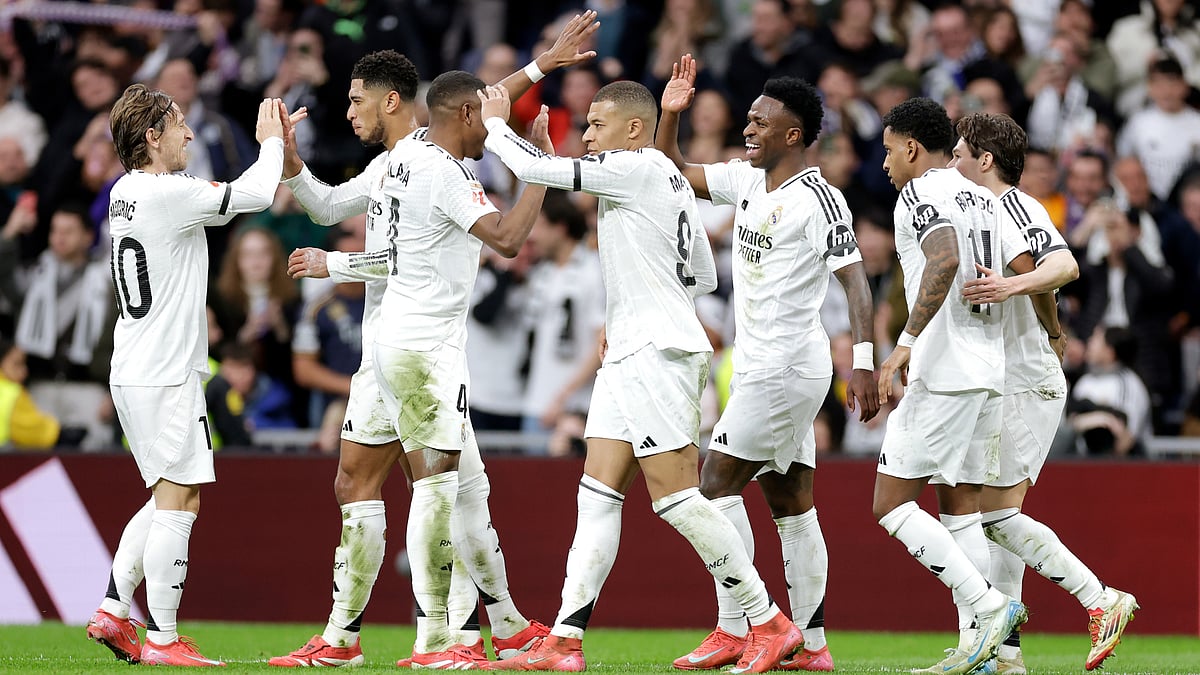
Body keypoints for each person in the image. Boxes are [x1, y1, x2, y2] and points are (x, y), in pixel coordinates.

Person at [270, 16, 600, 666]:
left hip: (403, 349)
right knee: (407, 486)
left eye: (355, 99)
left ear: (393, 100)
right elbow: (498, 234)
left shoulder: (424, 161)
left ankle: (443, 635)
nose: (348, 110)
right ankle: (427, 639)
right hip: (410, 352)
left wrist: (540, 88)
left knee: (418, 486)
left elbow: (472, 124)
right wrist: (541, 165)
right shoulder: (420, 162)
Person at [481, 78, 802, 673]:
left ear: (633, 127)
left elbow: (543, 172)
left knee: (677, 498)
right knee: (597, 498)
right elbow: (701, 274)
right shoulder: (665, 178)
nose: (589, 134)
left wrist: (498, 123)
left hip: (657, 351)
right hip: (634, 348)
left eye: (597, 124)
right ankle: (565, 643)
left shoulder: (638, 165)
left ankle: (769, 622)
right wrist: (639, 300)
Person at [655, 56, 880, 671]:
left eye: (760, 121)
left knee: (712, 486)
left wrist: (862, 363)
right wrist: (671, 115)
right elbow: (673, 169)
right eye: (748, 119)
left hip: (786, 367)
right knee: (791, 503)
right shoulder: (749, 181)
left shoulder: (820, 200)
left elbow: (857, 285)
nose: (747, 128)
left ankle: (744, 626)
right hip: (762, 367)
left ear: (792, 135)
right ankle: (811, 645)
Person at [84, 85, 285, 666]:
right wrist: (270, 142)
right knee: (180, 501)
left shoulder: (124, 191)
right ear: (152, 137)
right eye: (178, 124)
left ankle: (114, 609)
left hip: (136, 367)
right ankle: (165, 640)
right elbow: (255, 195)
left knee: (165, 496)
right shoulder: (167, 192)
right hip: (165, 372)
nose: (190, 134)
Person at [950, 111, 1139, 672]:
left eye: (961, 152)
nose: (954, 161)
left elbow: (1064, 263)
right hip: (1002, 375)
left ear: (985, 160)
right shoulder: (980, 212)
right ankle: (1007, 656)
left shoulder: (1016, 205)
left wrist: (1012, 285)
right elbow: (1043, 291)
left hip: (1027, 379)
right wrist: (1053, 326)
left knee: (995, 515)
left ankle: (1100, 599)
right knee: (996, 516)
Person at [872, 97, 1028, 675]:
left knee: (890, 504)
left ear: (912, 147)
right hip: (989, 369)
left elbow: (942, 261)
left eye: (889, 150)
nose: (885, 163)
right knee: (959, 507)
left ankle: (989, 609)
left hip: (945, 369)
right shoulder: (985, 196)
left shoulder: (919, 192)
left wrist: (907, 340)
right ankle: (981, 652)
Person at [0, 335, 61, 449]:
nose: (25, 371)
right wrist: (55, 427)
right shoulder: (13, 393)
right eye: (17, 364)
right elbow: (37, 435)